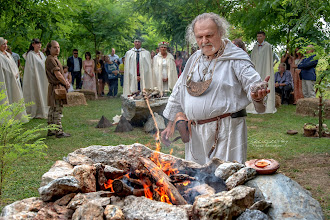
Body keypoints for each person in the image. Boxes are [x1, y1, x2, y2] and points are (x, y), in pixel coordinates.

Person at [161, 13, 269, 165]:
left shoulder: (236, 58)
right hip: (196, 134)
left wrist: (257, 93)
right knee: (196, 181)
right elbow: (178, 92)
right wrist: (170, 125)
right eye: (199, 37)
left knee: (224, 180)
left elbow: (253, 83)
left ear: (221, 32)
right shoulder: (194, 60)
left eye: (209, 35)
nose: (204, 41)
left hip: (226, 133)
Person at [45, 40, 71, 138]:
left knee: (53, 108)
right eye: (55, 47)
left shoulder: (54, 58)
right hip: (56, 87)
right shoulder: (50, 59)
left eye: (58, 47)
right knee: (57, 108)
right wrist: (66, 83)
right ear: (49, 48)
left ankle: (51, 130)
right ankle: (58, 131)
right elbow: (58, 74)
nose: (57, 49)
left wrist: (66, 82)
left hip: (56, 86)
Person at [0, 37, 28, 122]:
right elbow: (3, 69)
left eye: (6, 44)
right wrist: (12, 74)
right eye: (3, 44)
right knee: (8, 98)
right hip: (6, 80)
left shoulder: (8, 54)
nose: (5, 46)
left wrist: (16, 73)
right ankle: (7, 118)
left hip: (14, 80)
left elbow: (14, 66)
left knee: (15, 97)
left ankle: (17, 116)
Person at [249, 31, 276, 114]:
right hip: (256, 69)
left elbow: (269, 60)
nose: (258, 38)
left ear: (264, 37)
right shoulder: (255, 47)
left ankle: (267, 106)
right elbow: (252, 58)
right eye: (257, 36)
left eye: (260, 36)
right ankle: (253, 105)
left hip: (265, 69)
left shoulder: (268, 46)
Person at [23, 38, 49, 119]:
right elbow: (30, 69)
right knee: (37, 93)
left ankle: (44, 109)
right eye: (37, 43)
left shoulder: (41, 54)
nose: (39, 45)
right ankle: (37, 110)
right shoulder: (30, 54)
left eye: (40, 43)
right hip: (35, 78)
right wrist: (34, 78)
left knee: (44, 92)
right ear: (33, 44)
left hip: (43, 78)